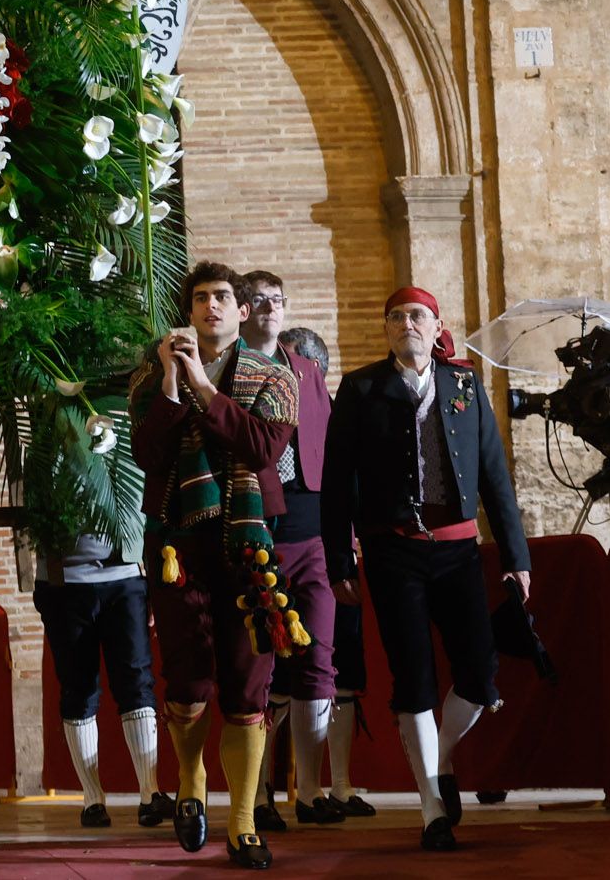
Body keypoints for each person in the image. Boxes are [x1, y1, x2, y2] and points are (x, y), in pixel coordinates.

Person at [322, 287, 530, 853]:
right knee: (412, 676)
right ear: (386, 330)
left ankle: (438, 761)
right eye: (395, 317)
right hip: (392, 551)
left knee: (479, 674)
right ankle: (433, 808)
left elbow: (494, 475)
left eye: (416, 315)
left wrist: (516, 557)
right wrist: (339, 557)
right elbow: (337, 481)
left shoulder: (463, 384)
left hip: (459, 549)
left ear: (436, 324)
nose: (406, 323)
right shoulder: (361, 388)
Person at [130, 263, 299, 871]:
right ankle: (192, 783)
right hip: (177, 548)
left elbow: (261, 449)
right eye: (200, 298)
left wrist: (205, 385)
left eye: (223, 298)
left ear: (244, 310)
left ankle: (246, 823)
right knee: (188, 679)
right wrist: (175, 384)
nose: (211, 307)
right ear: (189, 309)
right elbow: (148, 455)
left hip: (247, 545)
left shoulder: (276, 378)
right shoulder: (156, 376)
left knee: (248, 681)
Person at [235, 275, 340, 831]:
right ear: (244, 310)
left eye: (280, 301)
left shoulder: (308, 373)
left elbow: (329, 456)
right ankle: (257, 796)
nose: (272, 310)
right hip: (258, 531)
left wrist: (341, 538)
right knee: (260, 669)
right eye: (261, 302)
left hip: (314, 533)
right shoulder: (231, 370)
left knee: (319, 660)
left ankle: (311, 790)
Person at [31, 441, 167, 830]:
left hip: (124, 577)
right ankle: (92, 800)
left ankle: (149, 794)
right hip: (64, 582)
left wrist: (153, 580)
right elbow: (36, 511)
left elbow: (146, 500)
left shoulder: (124, 433)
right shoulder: (43, 438)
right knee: (78, 689)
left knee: (137, 682)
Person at [277, 326, 376, 820]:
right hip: (278, 548)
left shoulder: (339, 415)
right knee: (276, 676)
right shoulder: (262, 408)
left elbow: (355, 486)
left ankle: (338, 785)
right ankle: (285, 791)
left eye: (295, 365)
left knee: (341, 673)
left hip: (334, 553)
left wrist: (353, 547)